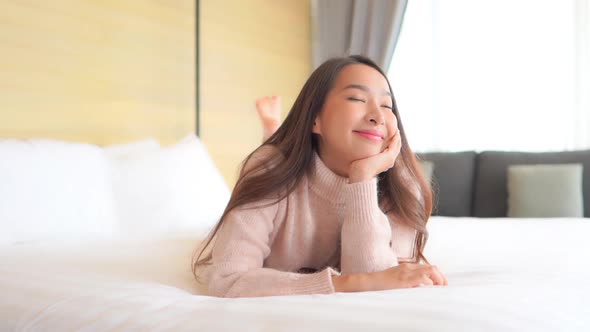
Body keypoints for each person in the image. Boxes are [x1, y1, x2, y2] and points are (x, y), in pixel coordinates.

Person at [193, 55, 447, 298]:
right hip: (285, 165)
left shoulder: (401, 186)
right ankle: (272, 129)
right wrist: (344, 283)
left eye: (386, 105)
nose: (378, 116)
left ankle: (273, 128)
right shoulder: (269, 169)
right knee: (274, 154)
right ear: (315, 118)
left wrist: (362, 179)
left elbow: (377, 289)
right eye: (357, 98)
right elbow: (227, 281)